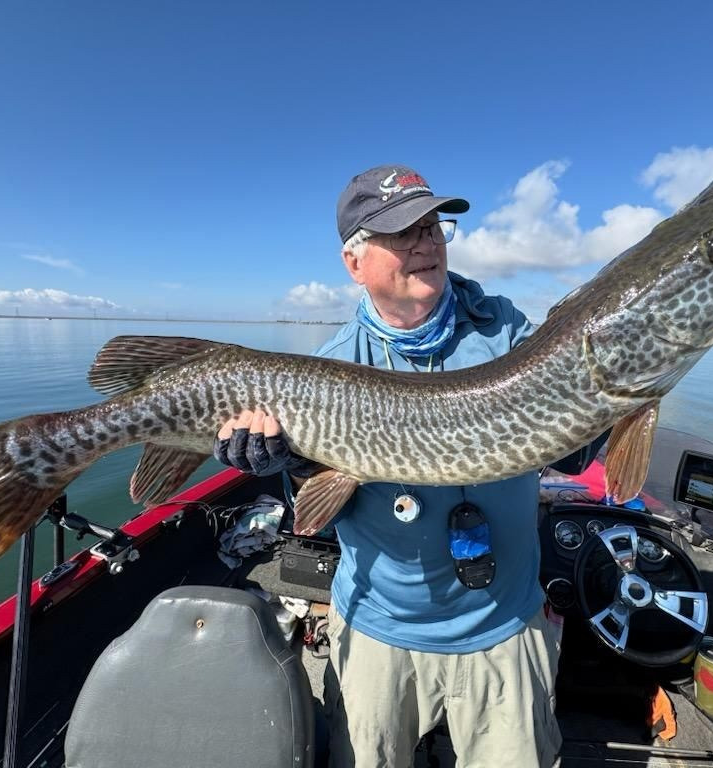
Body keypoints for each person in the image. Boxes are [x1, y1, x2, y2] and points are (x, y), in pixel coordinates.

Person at [215, 165, 564, 767]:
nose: (426, 243)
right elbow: (318, 510)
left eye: (432, 227)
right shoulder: (333, 362)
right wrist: (293, 466)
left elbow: (571, 437)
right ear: (355, 263)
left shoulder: (506, 329)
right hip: (381, 628)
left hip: (504, 625)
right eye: (403, 233)